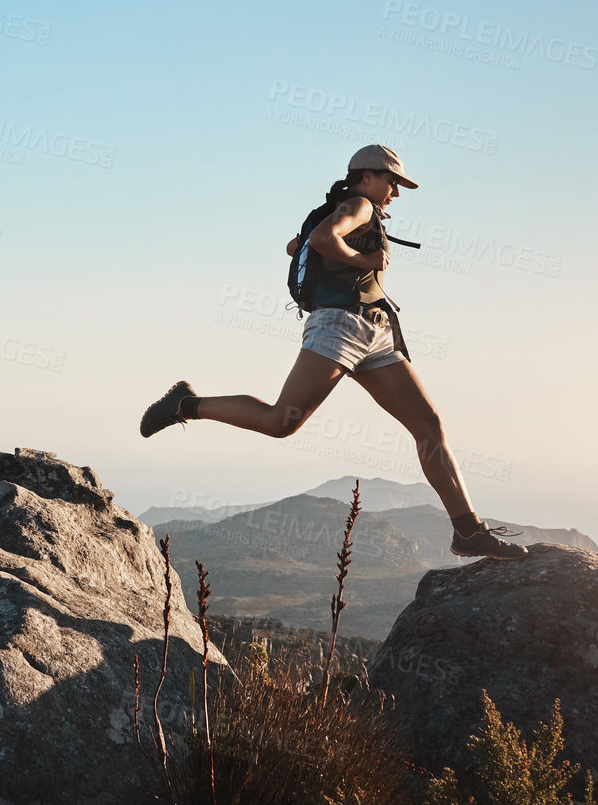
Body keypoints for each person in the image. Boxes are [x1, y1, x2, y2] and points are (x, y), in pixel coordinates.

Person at [138, 144, 527, 560]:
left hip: (373, 330)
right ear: (366, 176)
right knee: (280, 421)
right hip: (340, 324)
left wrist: (343, 253)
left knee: (428, 424)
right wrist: (362, 258)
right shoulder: (359, 204)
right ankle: (187, 404)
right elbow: (322, 239)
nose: (395, 192)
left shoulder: (346, 207)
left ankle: (468, 531)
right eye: (391, 181)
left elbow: (296, 246)